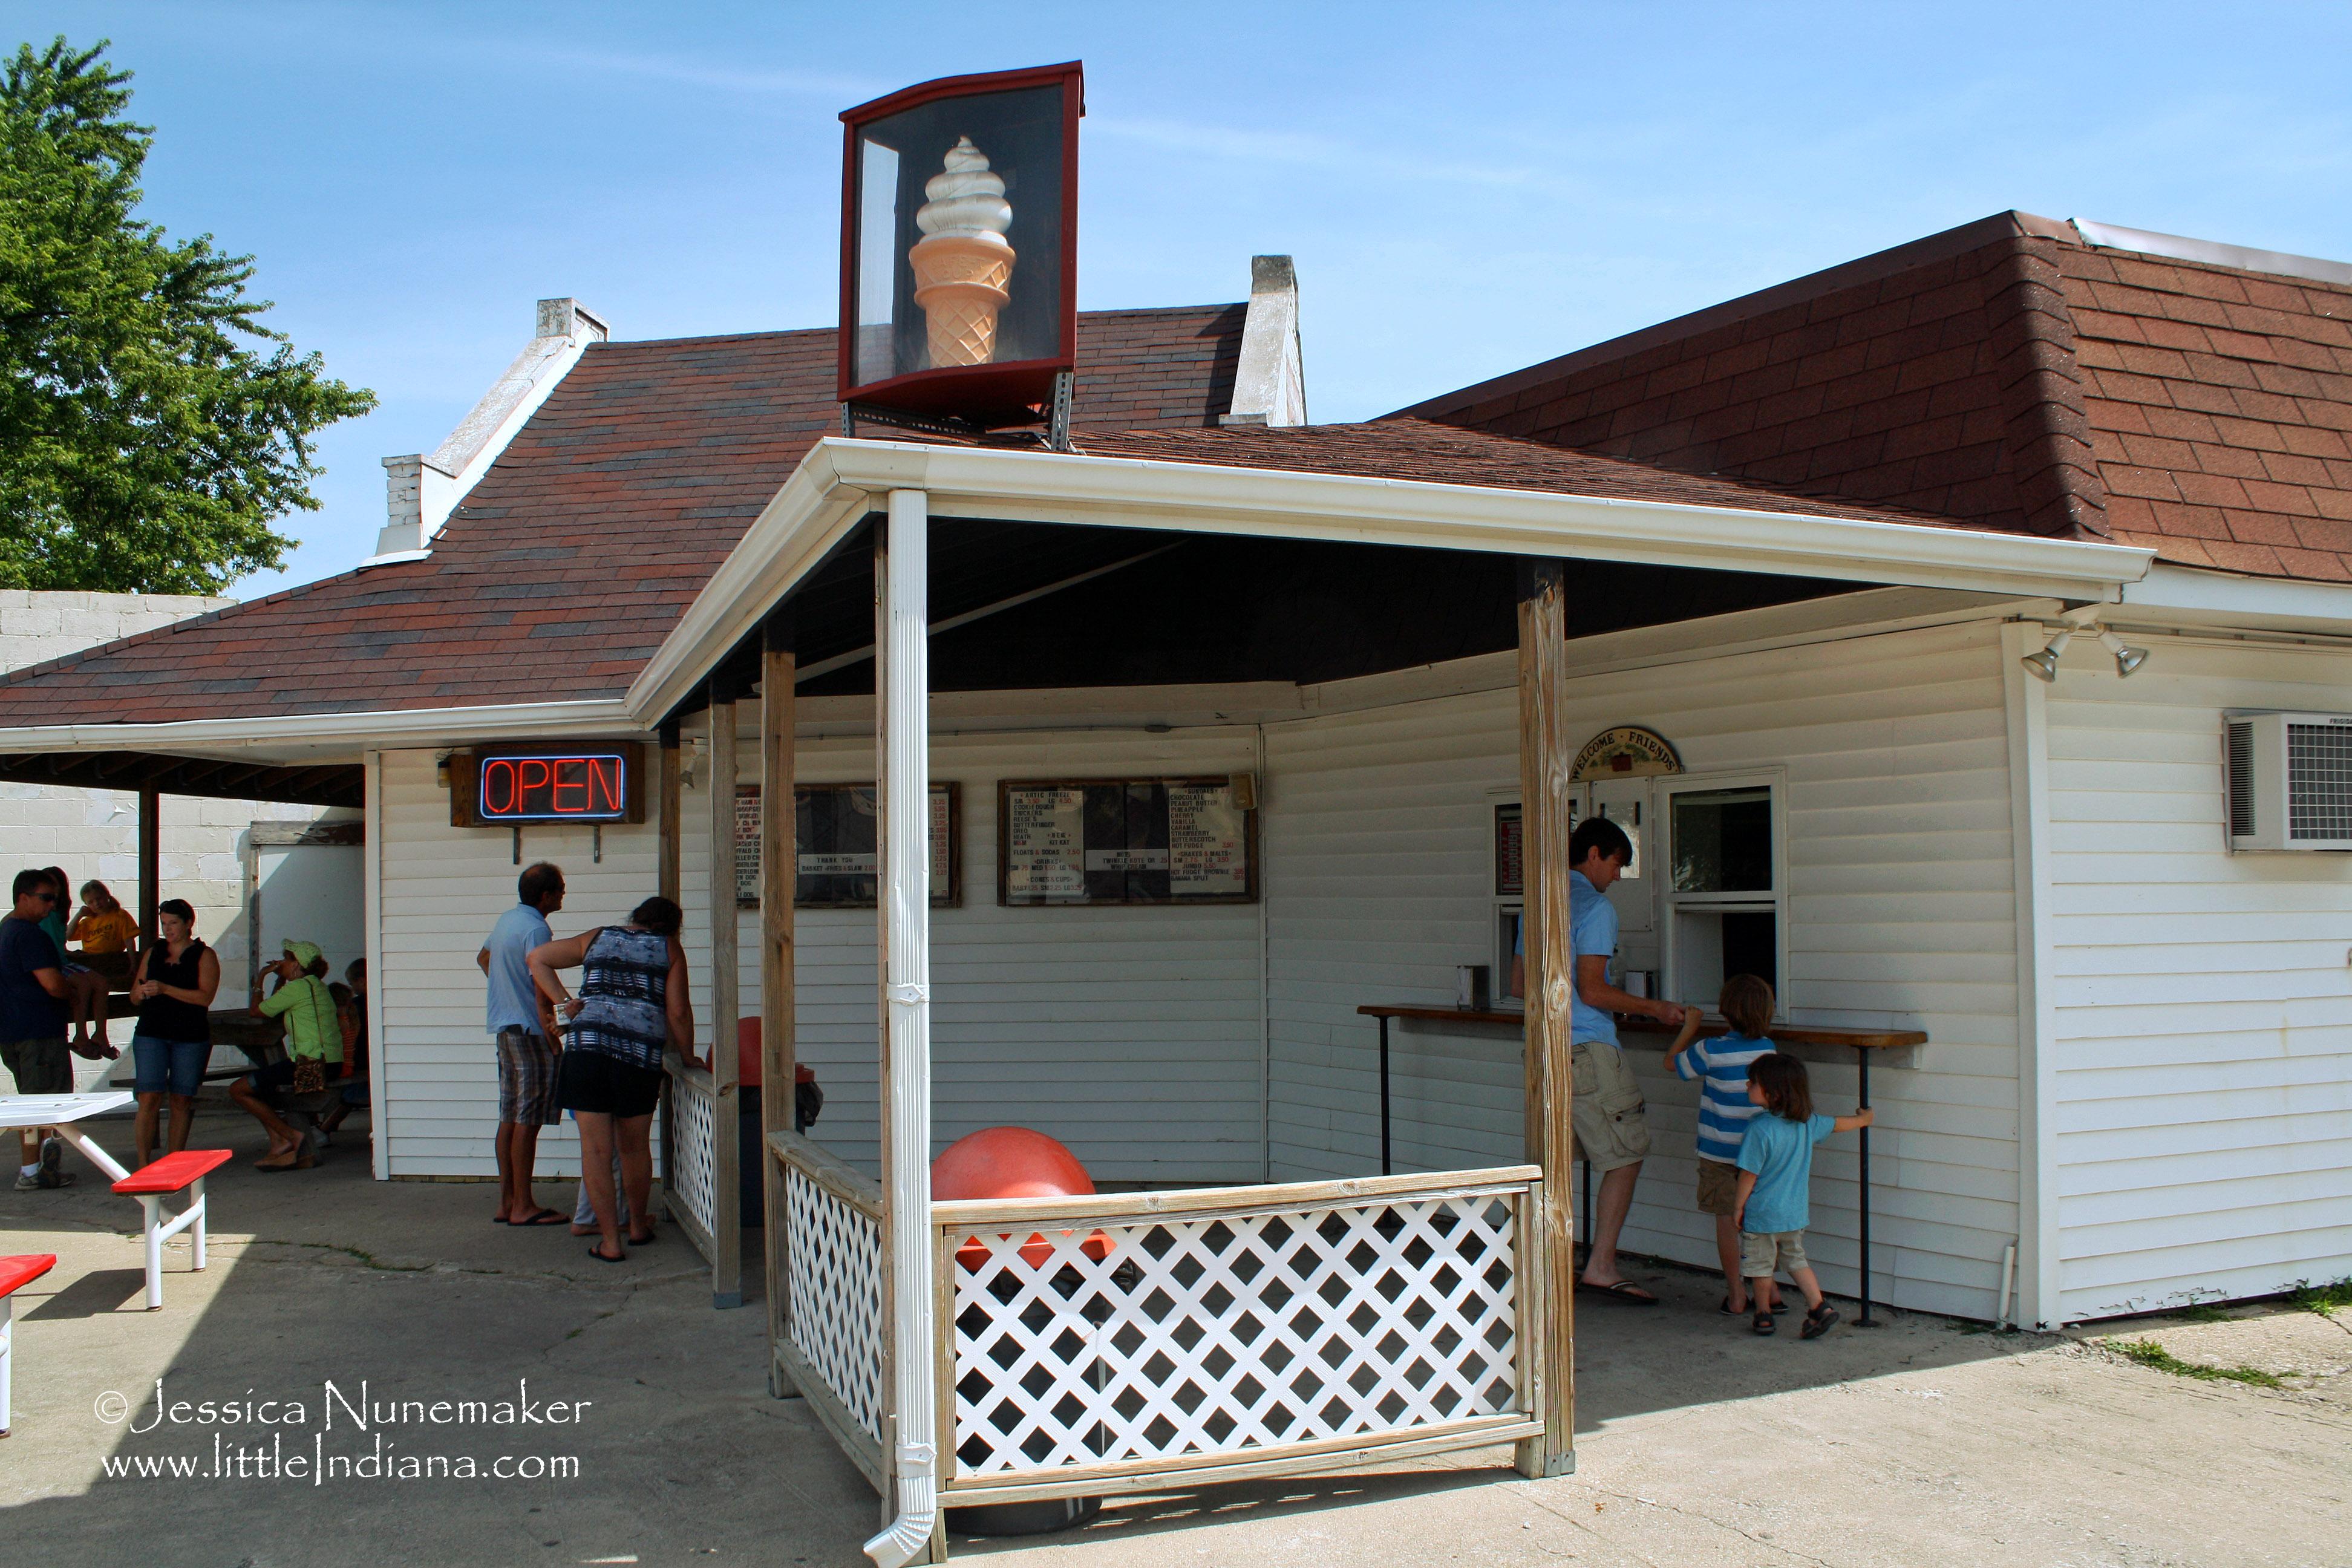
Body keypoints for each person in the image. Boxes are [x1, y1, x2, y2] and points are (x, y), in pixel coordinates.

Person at [1512, 817, 1696, 1304]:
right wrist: (1656, 1007)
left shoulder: (1539, 904)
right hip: (1590, 1049)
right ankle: (1602, 1264)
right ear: (1594, 854)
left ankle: (1550, 1264)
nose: (1617, 876)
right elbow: (1593, 990)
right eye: (1617, 863)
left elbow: (1518, 986)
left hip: (1544, 1052)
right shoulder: (1595, 907)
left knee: (1554, 1164)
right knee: (1627, 1151)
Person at [531, 897, 694, 1263]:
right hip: (638, 1059)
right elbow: (679, 1011)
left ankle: (610, 1242)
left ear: (636, 917)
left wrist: (564, 1002)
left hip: (587, 1053)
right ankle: (637, 1227)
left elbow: (537, 958)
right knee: (634, 1149)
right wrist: (688, 1057)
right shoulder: (669, 948)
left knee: (596, 1152)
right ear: (672, 926)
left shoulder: (597, 938)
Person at [1734, 1052, 1874, 1339]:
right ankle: (1819, 1306)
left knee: (1761, 1268)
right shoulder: (1807, 1123)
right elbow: (1837, 1123)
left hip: (1762, 1215)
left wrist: (1738, 1207)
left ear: (1772, 1094)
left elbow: (1749, 1175)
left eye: (1753, 1083)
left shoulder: (1759, 1130)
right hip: (1794, 1213)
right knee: (1797, 1260)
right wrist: (1864, 1119)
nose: (1747, 1085)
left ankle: (1763, 1315)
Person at [1672, 973, 1785, 1317]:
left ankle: (1737, 1294)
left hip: (1719, 1153)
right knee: (1761, 1222)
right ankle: (1772, 1290)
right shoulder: (1769, 1050)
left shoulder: (1711, 1050)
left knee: (1726, 1221)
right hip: (1760, 1156)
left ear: (1724, 1012)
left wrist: (1689, 1029)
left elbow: (1673, 1065)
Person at [479, 863, 567, 1226]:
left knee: (509, 1117)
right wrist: (553, 1034)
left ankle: (507, 1202)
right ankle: (524, 1207)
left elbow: (483, 958)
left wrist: (506, 988)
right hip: (530, 1033)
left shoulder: (508, 920)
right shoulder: (537, 928)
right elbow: (539, 984)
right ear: (546, 896)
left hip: (505, 1029)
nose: (564, 894)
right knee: (527, 1121)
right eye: (560, 889)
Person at [230, 940, 345, 1171]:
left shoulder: (298, 988)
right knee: (265, 1086)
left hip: (310, 1065)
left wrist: (261, 977)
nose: (281, 962)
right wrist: (281, 978)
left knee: (239, 1090)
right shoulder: (316, 986)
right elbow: (275, 1006)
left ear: (297, 965)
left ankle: (289, 1136)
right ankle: (280, 1143)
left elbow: (258, 1011)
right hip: (330, 1063)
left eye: (286, 958)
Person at [126, 898, 220, 1168]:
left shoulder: (204, 955)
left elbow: (205, 998)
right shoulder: (154, 952)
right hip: (152, 1031)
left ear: (188, 923)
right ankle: (144, 1163)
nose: (168, 929)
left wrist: (166, 989)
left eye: (173, 923)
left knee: (181, 1098)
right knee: (149, 1095)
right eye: (164, 924)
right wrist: (141, 992)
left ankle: (173, 1160)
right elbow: (133, 996)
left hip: (189, 1034)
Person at [3, 868, 76, 1189]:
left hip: (13, 1034)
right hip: (39, 1034)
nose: (51, 906)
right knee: (48, 1104)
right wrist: (73, 989)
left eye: (55, 900)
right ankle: (34, 1171)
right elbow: (53, 985)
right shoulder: (29, 935)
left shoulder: (6, 928)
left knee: (33, 1103)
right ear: (24, 897)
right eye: (46, 898)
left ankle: (35, 1169)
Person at [41, 866, 114, 1059]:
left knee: (102, 982)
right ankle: (81, 1036)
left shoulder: (57, 911)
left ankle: (100, 1034)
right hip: (51, 963)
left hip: (63, 959)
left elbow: (60, 939)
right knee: (82, 984)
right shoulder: (40, 911)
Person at [315, 960, 367, 1148]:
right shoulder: (370, 1004)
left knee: (349, 1095)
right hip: (363, 1061)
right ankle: (325, 1128)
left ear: (362, 981)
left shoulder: (354, 1009)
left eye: (353, 984)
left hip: (355, 1062)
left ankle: (323, 1130)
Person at [68, 880, 139, 954]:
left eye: (98, 899)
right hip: (89, 958)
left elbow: (129, 940)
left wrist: (133, 963)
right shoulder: (87, 921)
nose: (96, 903)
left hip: (111, 958)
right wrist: (79, 915)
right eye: (91, 902)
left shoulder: (120, 915)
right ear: (86, 904)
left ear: (107, 895)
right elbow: (68, 936)